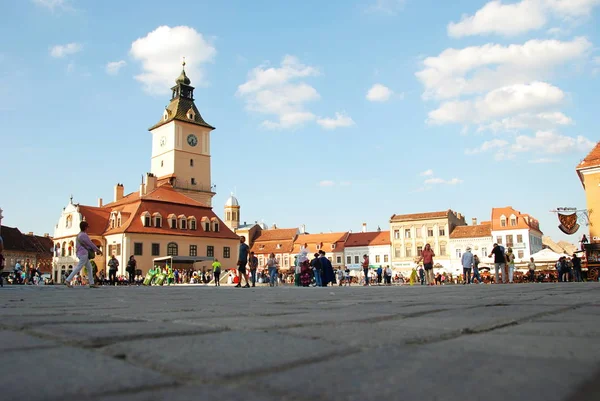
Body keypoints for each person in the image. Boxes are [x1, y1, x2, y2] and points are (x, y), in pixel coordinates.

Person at [64, 221, 102, 288]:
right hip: (83, 253)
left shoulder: (79, 235)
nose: (88, 229)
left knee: (89, 268)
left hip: (80, 253)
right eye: (87, 227)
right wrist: (97, 250)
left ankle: (91, 283)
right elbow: (90, 243)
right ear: (85, 227)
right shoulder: (84, 235)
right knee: (78, 267)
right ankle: (67, 280)